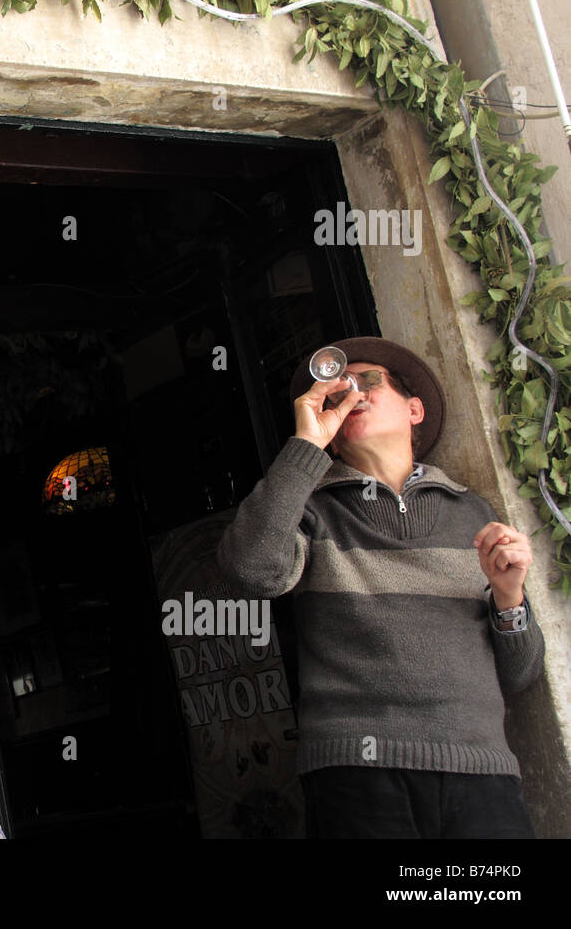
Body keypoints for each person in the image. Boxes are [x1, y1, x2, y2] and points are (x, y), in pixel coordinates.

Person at [215, 336, 545, 838]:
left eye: (367, 380)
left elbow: (520, 675)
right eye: (336, 391)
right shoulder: (309, 512)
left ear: (415, 409)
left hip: (484, 772)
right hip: (356, 771)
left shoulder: (474, 514)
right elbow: (249, 569)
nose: (352, 392)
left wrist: (508, 596)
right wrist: (306, 446)